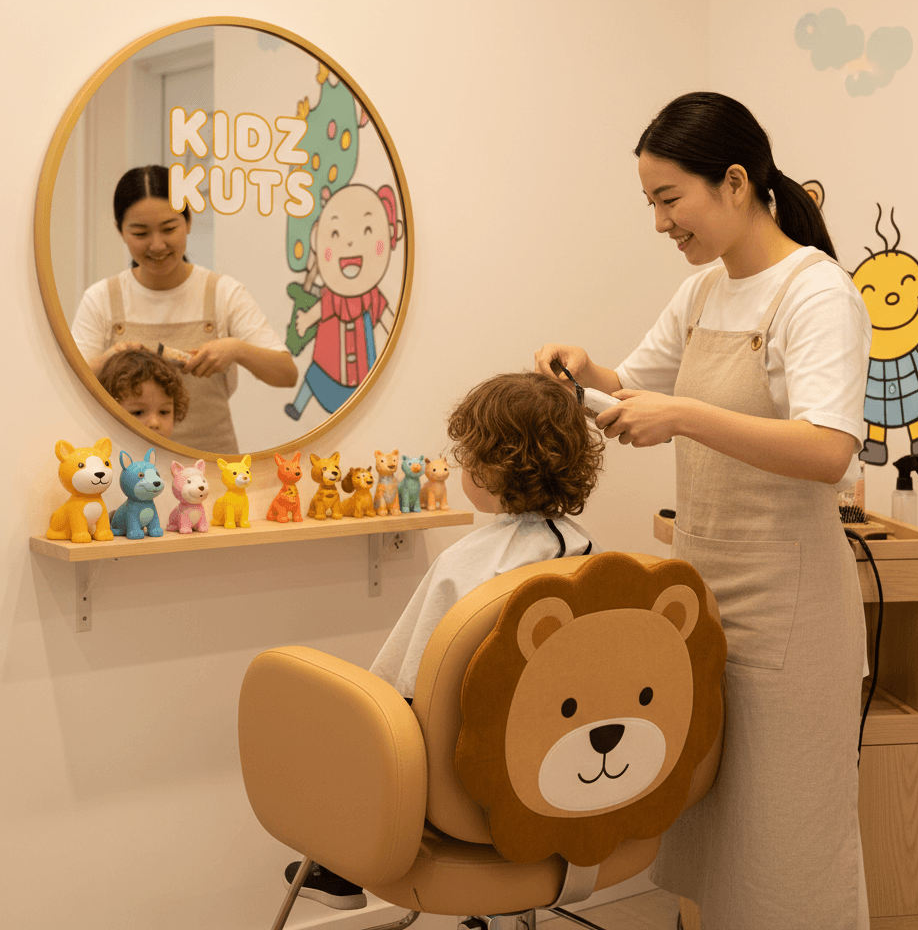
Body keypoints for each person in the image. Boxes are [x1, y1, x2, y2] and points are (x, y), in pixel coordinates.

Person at [535, 91, 872, 930]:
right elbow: (635, 388)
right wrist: (586, 371)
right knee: (714, 847)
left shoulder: (815, 292)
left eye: (667, 200)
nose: (659, 224)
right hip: (704, 608)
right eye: (649, 203)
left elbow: (829, 448)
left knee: (789, 855)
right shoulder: (704, 295)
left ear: (732, 181)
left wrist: (682, 417)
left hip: (792, 622)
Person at [284, 370, 605, 909]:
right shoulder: (585, 551)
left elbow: (407, 682)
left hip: (458, 772)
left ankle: (342, 870)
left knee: (360, 713)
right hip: (546, 757)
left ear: (490, 467)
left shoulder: (469, 564)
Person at [71, 165, 298, 455]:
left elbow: (286, 374)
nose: (157, 244)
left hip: (212, 468)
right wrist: (109, 359)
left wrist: (236, 349)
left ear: (188, 222)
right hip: (128, 474)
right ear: (120, 231)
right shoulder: (102, 299)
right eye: (140, 233)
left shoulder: (223, 293)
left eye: (169, 228)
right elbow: (69, 389)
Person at [96, 346, 189, 441]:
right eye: (138, 412)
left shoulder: (171, 455)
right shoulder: (98, 454)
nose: (154, 423)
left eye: (164, 412)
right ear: (108, 412)